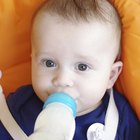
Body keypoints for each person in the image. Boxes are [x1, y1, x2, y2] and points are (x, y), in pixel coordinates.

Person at [0, 0, 140, 139]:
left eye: (82, 67)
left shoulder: (119, 118)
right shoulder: (19, 105)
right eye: (49, 63)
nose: (62, 80)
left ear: (111, 76)